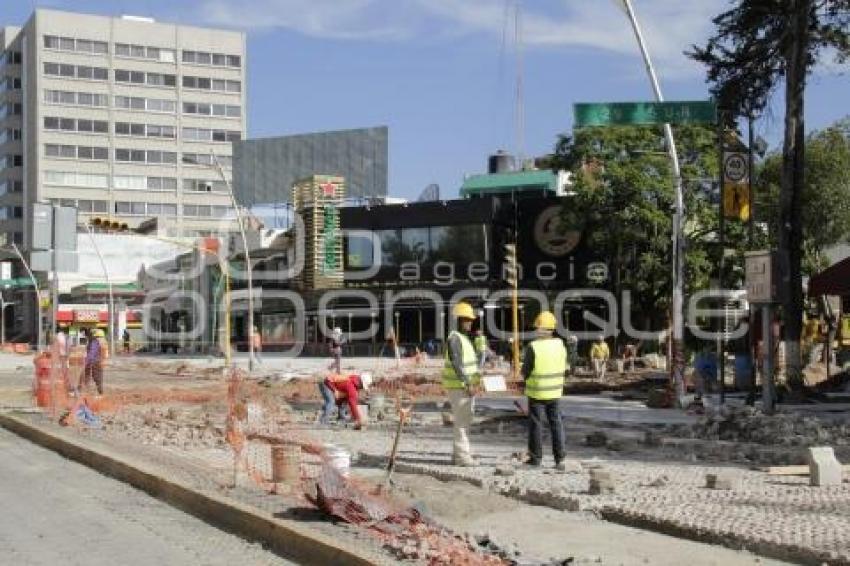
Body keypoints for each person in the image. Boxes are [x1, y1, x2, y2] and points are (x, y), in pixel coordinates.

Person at [521, 311, 568, 470]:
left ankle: (535, 459)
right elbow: (566, 366)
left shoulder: (534, 346)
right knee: (556, 423)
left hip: (537, 392)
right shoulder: (560, 344)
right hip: (555, 392)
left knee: (536, 425)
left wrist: (526, 379)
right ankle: (560, 458)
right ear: (552, 329)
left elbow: (525, 370)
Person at [443, 301, 481, 467]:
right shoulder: (455, 339)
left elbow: (469, 364)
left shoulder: (464, 339)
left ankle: (457, 454)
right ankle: (462, 457)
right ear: (458, 320)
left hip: (463, 387)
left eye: (470, 319)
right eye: (467, 319)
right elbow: (457, 363)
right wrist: (467, 384)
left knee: (463, 420)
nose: (470, 322)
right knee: (462, 423)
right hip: (460, 388)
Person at [79, 328, 104, 396]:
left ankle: (100, 393)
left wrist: (86, 361)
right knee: (85, 376)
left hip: (95, 362)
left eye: (86, 335)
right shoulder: (92, 341)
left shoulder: (94, 341)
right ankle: (82, 391)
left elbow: (92, 353)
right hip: (92, 362)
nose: (86, 337)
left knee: (97, 377)